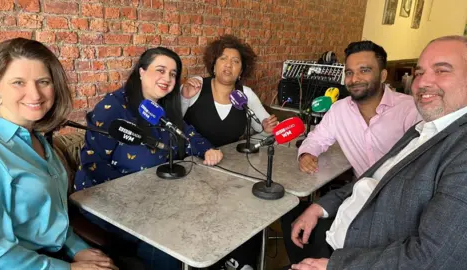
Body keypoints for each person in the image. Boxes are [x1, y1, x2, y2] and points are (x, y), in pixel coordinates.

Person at [289, 35, 467, 270]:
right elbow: (373, 176)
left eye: (442, 70)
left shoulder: (414, 113)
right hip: (349, 216)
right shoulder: (423, 128)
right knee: (293, 219)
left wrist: (336, 265)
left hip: (369, 248)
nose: (424, 83)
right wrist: (317, 203)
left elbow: (434, 257)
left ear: (383, 75)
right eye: (420, 73)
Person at [74, 47, 223, 270]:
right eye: (160, 70)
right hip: (105, 202)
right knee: (166, 241)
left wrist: (208, 149)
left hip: (156, 199)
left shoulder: (162, 109)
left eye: (173, 74)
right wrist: (137, 199)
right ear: (141, 72)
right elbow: (93, 164)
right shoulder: (113, 106)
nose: (167, 78)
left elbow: (188, 134)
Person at [0, 38, 117, 269]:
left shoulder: (37, 137)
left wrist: (77, 249)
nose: (35, 94)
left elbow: (49, 219)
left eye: (43, 81)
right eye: (18, 82)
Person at [298, 40, 421, 178]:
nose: (354, 79)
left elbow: (421, 167)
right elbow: (317, 139)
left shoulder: (410, 110)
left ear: (383, 76)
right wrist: (306, 154)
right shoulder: (339, 110)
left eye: (364, 70)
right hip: (360, 192)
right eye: (349, 72)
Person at [181, 35, 278, 147]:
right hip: (191, 160)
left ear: (241, 71)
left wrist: (266, 130)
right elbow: (172, 123)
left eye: (235, 61)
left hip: (231, 161)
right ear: (214, 66)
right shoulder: (196, 86)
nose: (228, 64)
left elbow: (270, 133)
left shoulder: (246, 94)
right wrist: (184, 98)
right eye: (223, 58)